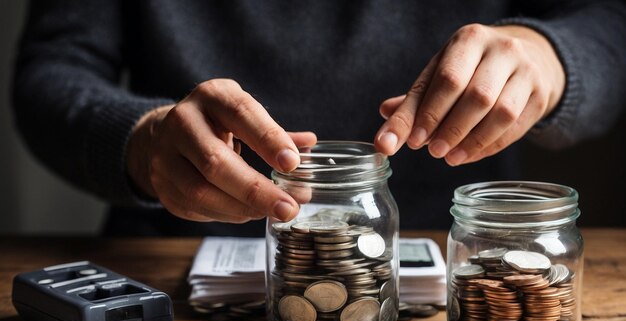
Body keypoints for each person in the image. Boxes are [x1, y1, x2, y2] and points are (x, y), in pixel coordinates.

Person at [12, 1, 626, 236]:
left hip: (441, 240)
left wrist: (553, 59)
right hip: (168, 254)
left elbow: (610, 28)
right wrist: (142, 139)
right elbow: (51, 68)